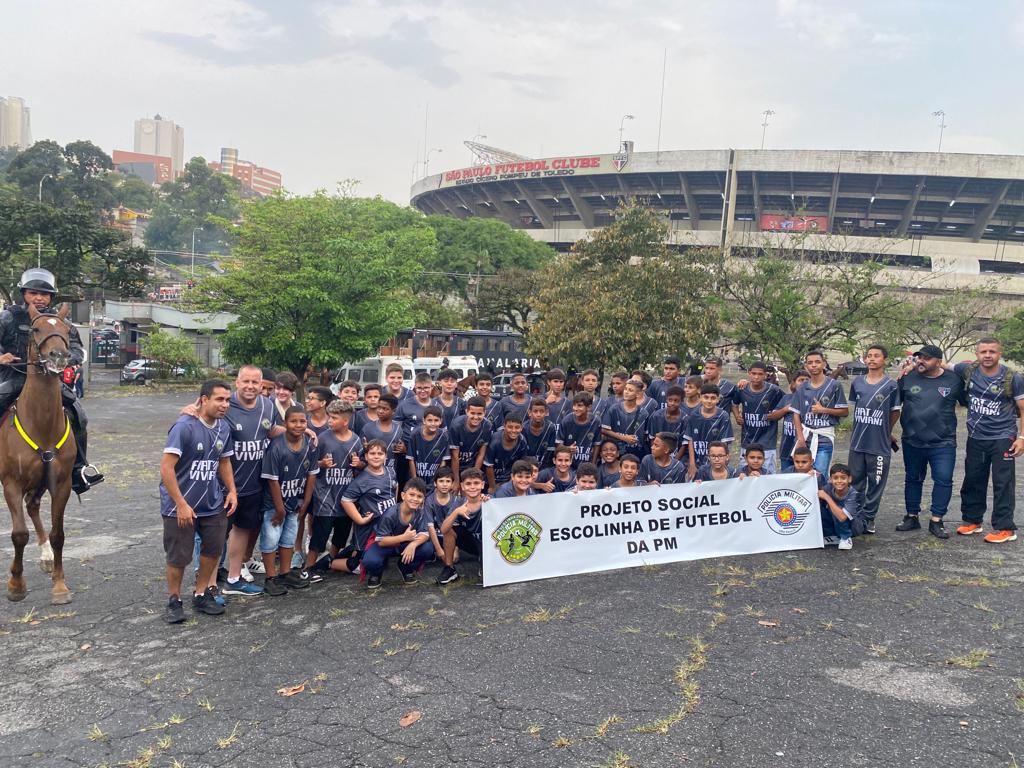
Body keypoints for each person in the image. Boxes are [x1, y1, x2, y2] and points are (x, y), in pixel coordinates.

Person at [0, 268, 102, 494]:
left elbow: (77, 349)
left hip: (49, 381)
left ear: (52, 297)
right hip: (13, 376)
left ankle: (78, 469)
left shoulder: (59, 321)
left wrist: (68, 359)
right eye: (33, 293)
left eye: (44, 294)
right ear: (23, 294)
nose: (39, 298)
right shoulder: (9, 316)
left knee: (78, 414)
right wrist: (1, 356)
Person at [159, 379, 237, 623]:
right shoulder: (184, 426)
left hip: (212, 504)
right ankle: (174, 600)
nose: (224, 405)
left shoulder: (224, 428)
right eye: (219, 399)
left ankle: (201, 593)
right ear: (204, 399)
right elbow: (166, 468)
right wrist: (181, 504)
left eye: (227, 400)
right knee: (178, 556)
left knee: (213, 550)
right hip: (180, 505)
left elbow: (224, 462)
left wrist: (232, 491)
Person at [216, 365, 284, 597]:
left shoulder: (267, 405)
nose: (250, 386)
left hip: (253, 484)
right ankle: (208, 583)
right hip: (224, 487)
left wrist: (300, 432)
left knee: (242, 531)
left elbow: (271, 429)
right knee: (215, 536)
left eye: (255, 383)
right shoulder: (225, 404)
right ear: (237, 382)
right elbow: (197, 413)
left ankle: (233, 578)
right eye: (246, 381)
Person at [952, 337, 1024, 543]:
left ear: (999, 354)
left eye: (992, 352)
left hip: (1003, 437)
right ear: (977, 354)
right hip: (976, 437)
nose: (988, 355)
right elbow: (940, 365)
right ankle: (972, 520)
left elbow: (1023, 408)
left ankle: (1005, 528)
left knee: (1003, 483)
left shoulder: (1012, 378)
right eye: (983, 352)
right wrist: (911, 366)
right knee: (973, 479)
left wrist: (1022, 438)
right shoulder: (969, 371)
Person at [894, 345, 963, 538]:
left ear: (938, 362)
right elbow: (894, 405)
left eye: (926, 358)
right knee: (913, 478)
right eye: (919, 358)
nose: (921, 361)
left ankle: (937, 521)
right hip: (912, 440)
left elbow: (969, 402)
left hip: (943, 443)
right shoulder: (907, 377)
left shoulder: (954, 380)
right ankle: (911, 516)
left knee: (943, 480)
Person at [258, 406, 318, 596]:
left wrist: (306, 501)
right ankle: (270, 577)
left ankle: (285, 573)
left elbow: (312, 475)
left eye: (302, 421)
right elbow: (272, 480)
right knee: (271, 540)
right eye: (294, 421)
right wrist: (279, 509)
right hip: (274, 505)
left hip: (295, 503)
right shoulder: (276, 446)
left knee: (288, 539)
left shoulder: (309, 444)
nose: (298, 425)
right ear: (285, 423)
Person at [847, 344, 902, 535]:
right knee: (855, 482)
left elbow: (895, 412)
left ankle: (869, 519)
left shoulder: (891, 385)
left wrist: (887, 431)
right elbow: (855, 408)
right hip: (857, 443)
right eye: (869, 356)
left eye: (876, 356)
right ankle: (855, 516)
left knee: (876, 483)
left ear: (884, 360)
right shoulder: (857, 382)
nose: (871, 359)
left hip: (878, 445)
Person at [305, 400, 363, 579]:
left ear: (345, 421)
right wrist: (321, 464)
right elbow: (309, 463)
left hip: (345, 499)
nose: (330, 420)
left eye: (334, 418)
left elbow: (361, 465)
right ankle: (309, 568)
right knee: (319, 536)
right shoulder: (322, 438)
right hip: (325, 497)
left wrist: (358, 464)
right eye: (329, 416)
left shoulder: (356, 440)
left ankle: (330, 561)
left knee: (341, 534)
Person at [361, 478, 434, 589]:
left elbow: (425, 534)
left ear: (423, 499)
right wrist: (404, 537)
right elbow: (381, 541)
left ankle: (405, 567)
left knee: (428, 549)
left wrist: (413, 545)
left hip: (404, 545)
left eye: (419, 496)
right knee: (370, 561)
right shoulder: (390, 514)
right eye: (412, 495)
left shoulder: (420, 512)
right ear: (403, 495)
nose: (415, 499)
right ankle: (376, 574)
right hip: (386, 545)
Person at [790, 350, 849, 476]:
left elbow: (844, 411)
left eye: (817, 362)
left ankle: (821, 496)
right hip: (806, 435)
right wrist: (800, 438)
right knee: (802, 473)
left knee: (819, 475)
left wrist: (824, 410)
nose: (814, 365)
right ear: (806, 366)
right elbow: (796, 413)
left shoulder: (834, 385)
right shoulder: (802, 387)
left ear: (824, 364)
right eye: (810, 363)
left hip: (824, 436)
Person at [340, 440, 396, 571]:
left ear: (386, 456)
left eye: (380, 453)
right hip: (369, 529)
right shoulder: (362, 480)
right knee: (362, 567)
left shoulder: (391, 471)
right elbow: (345, 500)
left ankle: (351, 550)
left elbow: (394, 488)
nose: (376, 456)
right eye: (372, 453)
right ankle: (330, 563)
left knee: (383, 562)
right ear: (365, 456)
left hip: (386, 527)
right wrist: (359, 519)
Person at [733, 362, 787, 473]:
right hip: (747, 442)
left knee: (767, 479)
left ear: (765, 375)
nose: (756, 377)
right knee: (745, 478)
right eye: (753, 373)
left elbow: (788, 402)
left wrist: (779, 413)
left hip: (767, 443)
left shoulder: (773, 390)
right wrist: (737, 415)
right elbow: (734, 403)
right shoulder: (742, 389)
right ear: (749, 373)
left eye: (760, 374)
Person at [438, 467, 487, 584]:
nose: (472, 487)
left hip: (489, 544)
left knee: (488, 573)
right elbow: (443, 530)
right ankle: (449, 569)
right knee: (450, 530)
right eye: (468, 484)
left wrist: (489, 505)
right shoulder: (458, 502)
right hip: (471, 542)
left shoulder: (489, 501)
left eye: (476, 483)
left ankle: (486, 565)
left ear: (483, 484)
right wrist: (456, 512)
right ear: (462, 486)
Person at [682, 384, 734, 479]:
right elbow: (690, 440)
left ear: (718, 399)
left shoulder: (723, 416)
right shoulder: (693, 415)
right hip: (697, 462)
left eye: (713, 398)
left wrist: (723, 461)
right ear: (700, 397)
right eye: (706, 397)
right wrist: (692, 463)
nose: (709, 401)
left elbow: (725, 443)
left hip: (716, 461)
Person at [448, 396, 492, 491]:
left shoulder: (487, 426)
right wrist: (456, 480)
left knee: (471, 490)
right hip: (455, 466)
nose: (476, 417)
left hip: (472, 465)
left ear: (484, 413)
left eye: (479, 414)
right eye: (472, 413)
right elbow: (455, 457)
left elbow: (481, 454)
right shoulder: (456, 426)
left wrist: (474, 476)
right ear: (467, 411)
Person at [406, 405, 450, 491]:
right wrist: (415, 480)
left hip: (434, 478)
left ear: (441, 421)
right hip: (418, 476)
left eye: (436, 420)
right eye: (430, 420)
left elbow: (444, 461)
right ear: (424, 420)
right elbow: (411, 459)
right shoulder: (415, 434)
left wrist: (438, 480)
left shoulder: (444, 436)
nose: (433, 423)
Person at [601, 379, 649, 455]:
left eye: (630, 390)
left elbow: (645, 435)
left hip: (636, 453)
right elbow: (604, 430)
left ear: (638, 394)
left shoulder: (643, 413)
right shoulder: (614, 409)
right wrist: (623, 438)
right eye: (625, 389)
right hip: (617, 452)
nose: (626, 392)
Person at [819, 463, 861, 550]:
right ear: (830, 480)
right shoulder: (828, 488)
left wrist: (826, 497)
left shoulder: (854, 495)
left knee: (837, 510)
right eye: (835, 478)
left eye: (843, 478)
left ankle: (846, 538)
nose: (839, 481)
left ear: (849, 479)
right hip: (836, 521)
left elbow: (842, 517)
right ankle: (833, 536)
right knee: (820, 510)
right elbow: (815, 491)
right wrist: (813, 475)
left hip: (853, 526)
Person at [360, 394, 405, 472]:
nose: (380, 411)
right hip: (371, 473)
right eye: (379, 407)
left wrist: (403, 450)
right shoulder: (368, 428)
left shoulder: (398, 429)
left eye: (385, 409)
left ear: (393, 411)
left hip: (390, 474)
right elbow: (360, 454)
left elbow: (400, 454)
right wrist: (364, 448)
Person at [557, 392, 603, 467]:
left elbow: (597, 445)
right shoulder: (567, 421)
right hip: (569, 465)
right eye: (574, 405)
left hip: (587, 464)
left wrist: (593, 464)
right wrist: (567, 448)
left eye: (579, 406)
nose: (575, 408)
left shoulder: (596, 421)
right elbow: (558, 444)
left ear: (589, 407)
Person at [484, 415, 528, 493]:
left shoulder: (522, 441)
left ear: (521, 428)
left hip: (509, 479)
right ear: (504, 426)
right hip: (491, 480)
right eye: (510, 427)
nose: (513, 430)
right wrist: (492, 486)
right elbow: (488, 465)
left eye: (517, 427)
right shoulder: (495, 441)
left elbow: (520, 464)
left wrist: (510, 483)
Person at [778, 370, 810, 473]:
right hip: (787, 446)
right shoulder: (786, 398)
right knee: (786, 478)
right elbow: (772, 416)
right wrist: (785, 409)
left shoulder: (813, 399)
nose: (804, 382)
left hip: (804, 446)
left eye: (807, 380)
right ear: (793, 383)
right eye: (801, 380)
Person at [424, 466, 458, 561]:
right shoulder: (429, 501)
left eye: (448, 481)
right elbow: (430, 527)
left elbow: (457, 529)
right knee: (428, 551)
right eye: (441, 481)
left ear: (452, 484)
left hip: (450, 537)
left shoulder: (456, 500)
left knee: (454, 558)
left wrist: (455, 548)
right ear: (435, 483)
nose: (444, 484)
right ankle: (435, 551)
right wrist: (439, 550)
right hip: (435, 536)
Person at [523, 398, 557, 467]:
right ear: (530, 412)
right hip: (527, 467)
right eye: (535, 411)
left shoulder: (550, 428)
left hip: (545, 467)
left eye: (541, 411)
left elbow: (550, 453)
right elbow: (523, 454)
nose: (538, 414)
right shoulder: (523, 428)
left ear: (546, 412)